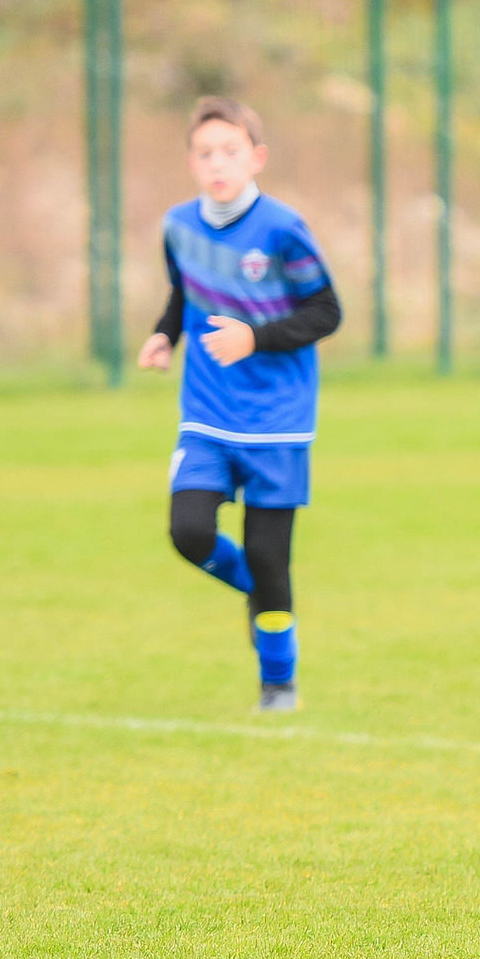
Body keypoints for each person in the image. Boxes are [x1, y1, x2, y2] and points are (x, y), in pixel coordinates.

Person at [136, 98, 343, 708]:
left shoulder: (282, 230)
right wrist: (163, 334)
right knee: (189, 532)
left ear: (257, 158)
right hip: (206, 416)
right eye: (205, 153)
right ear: (191, 163)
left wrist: (255, 337)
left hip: (277, 423)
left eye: (230, 151)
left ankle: (278, 683)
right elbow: (183, 293)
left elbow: (326, 313)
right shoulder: (178, 226)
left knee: (268, 550)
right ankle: (264, 585)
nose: (217, 163)